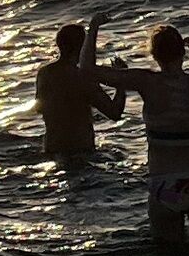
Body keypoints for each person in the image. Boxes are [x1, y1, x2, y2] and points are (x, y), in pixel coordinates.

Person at [98, 23, 189, 251]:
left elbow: (88, 71)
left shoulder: (146, 81)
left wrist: (94, 28)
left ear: (154, 55)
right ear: (182, 53)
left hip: (168, 188)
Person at [33, 19, 123, 164]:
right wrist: (120, 82)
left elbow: (39, 108)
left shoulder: (44, 73)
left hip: (52, 148)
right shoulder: (82, 77)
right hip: (82, 151)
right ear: (83, 48)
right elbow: (114, 112)